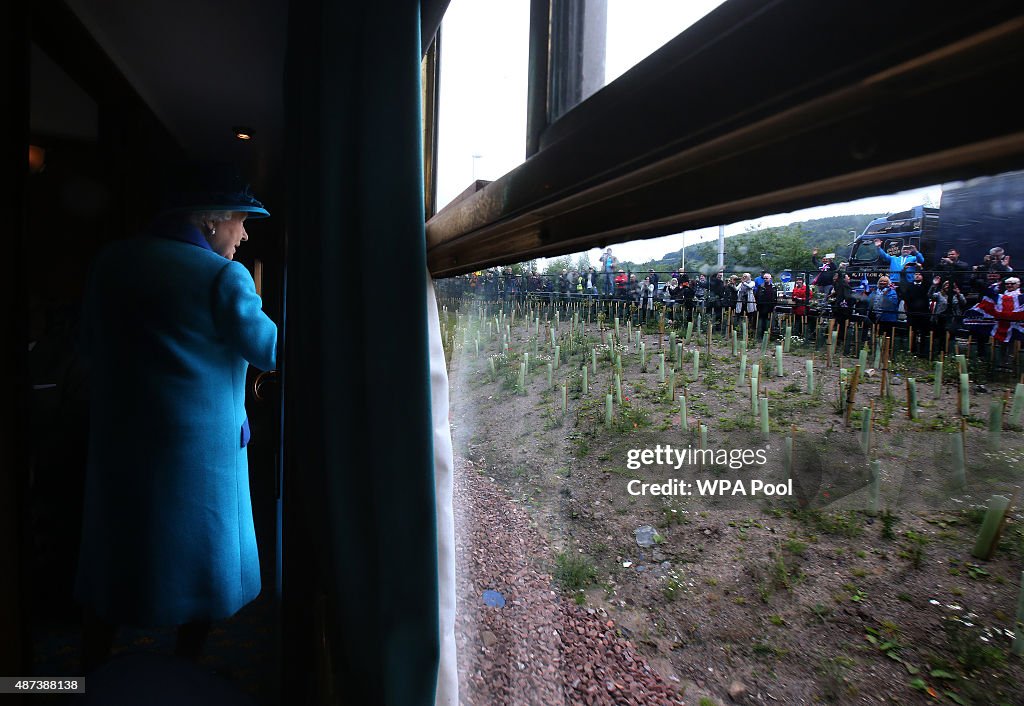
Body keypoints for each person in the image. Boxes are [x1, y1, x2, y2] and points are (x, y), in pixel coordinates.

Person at [76, 163, 278, 671]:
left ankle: (87, 671)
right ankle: (186, 665)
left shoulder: (112, 262)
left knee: (120, 550)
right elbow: (270, 349)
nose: (245, 232)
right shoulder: (221, 275)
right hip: (197, 454)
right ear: (210, 221)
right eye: (240, 219)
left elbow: (88, 343)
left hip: (121, 439)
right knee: (201, 567)